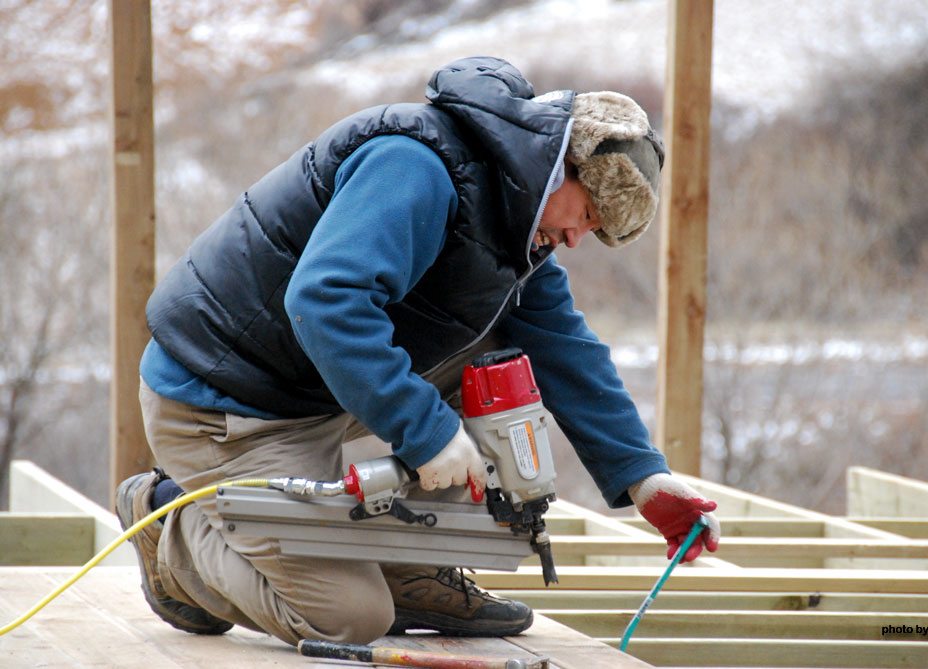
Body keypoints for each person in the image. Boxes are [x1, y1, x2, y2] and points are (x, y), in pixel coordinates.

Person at [116, 56, 721, 646]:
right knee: (349, 618)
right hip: (225, 404)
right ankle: (172, 525)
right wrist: (426, 430)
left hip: (313, 383)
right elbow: (326, 303)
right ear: (561, 165)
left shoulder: (518, 220)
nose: (575, 240)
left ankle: (408, 572)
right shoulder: (416, 167)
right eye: (586, 216)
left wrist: (644, 477)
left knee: (506, 361)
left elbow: (564, 346)